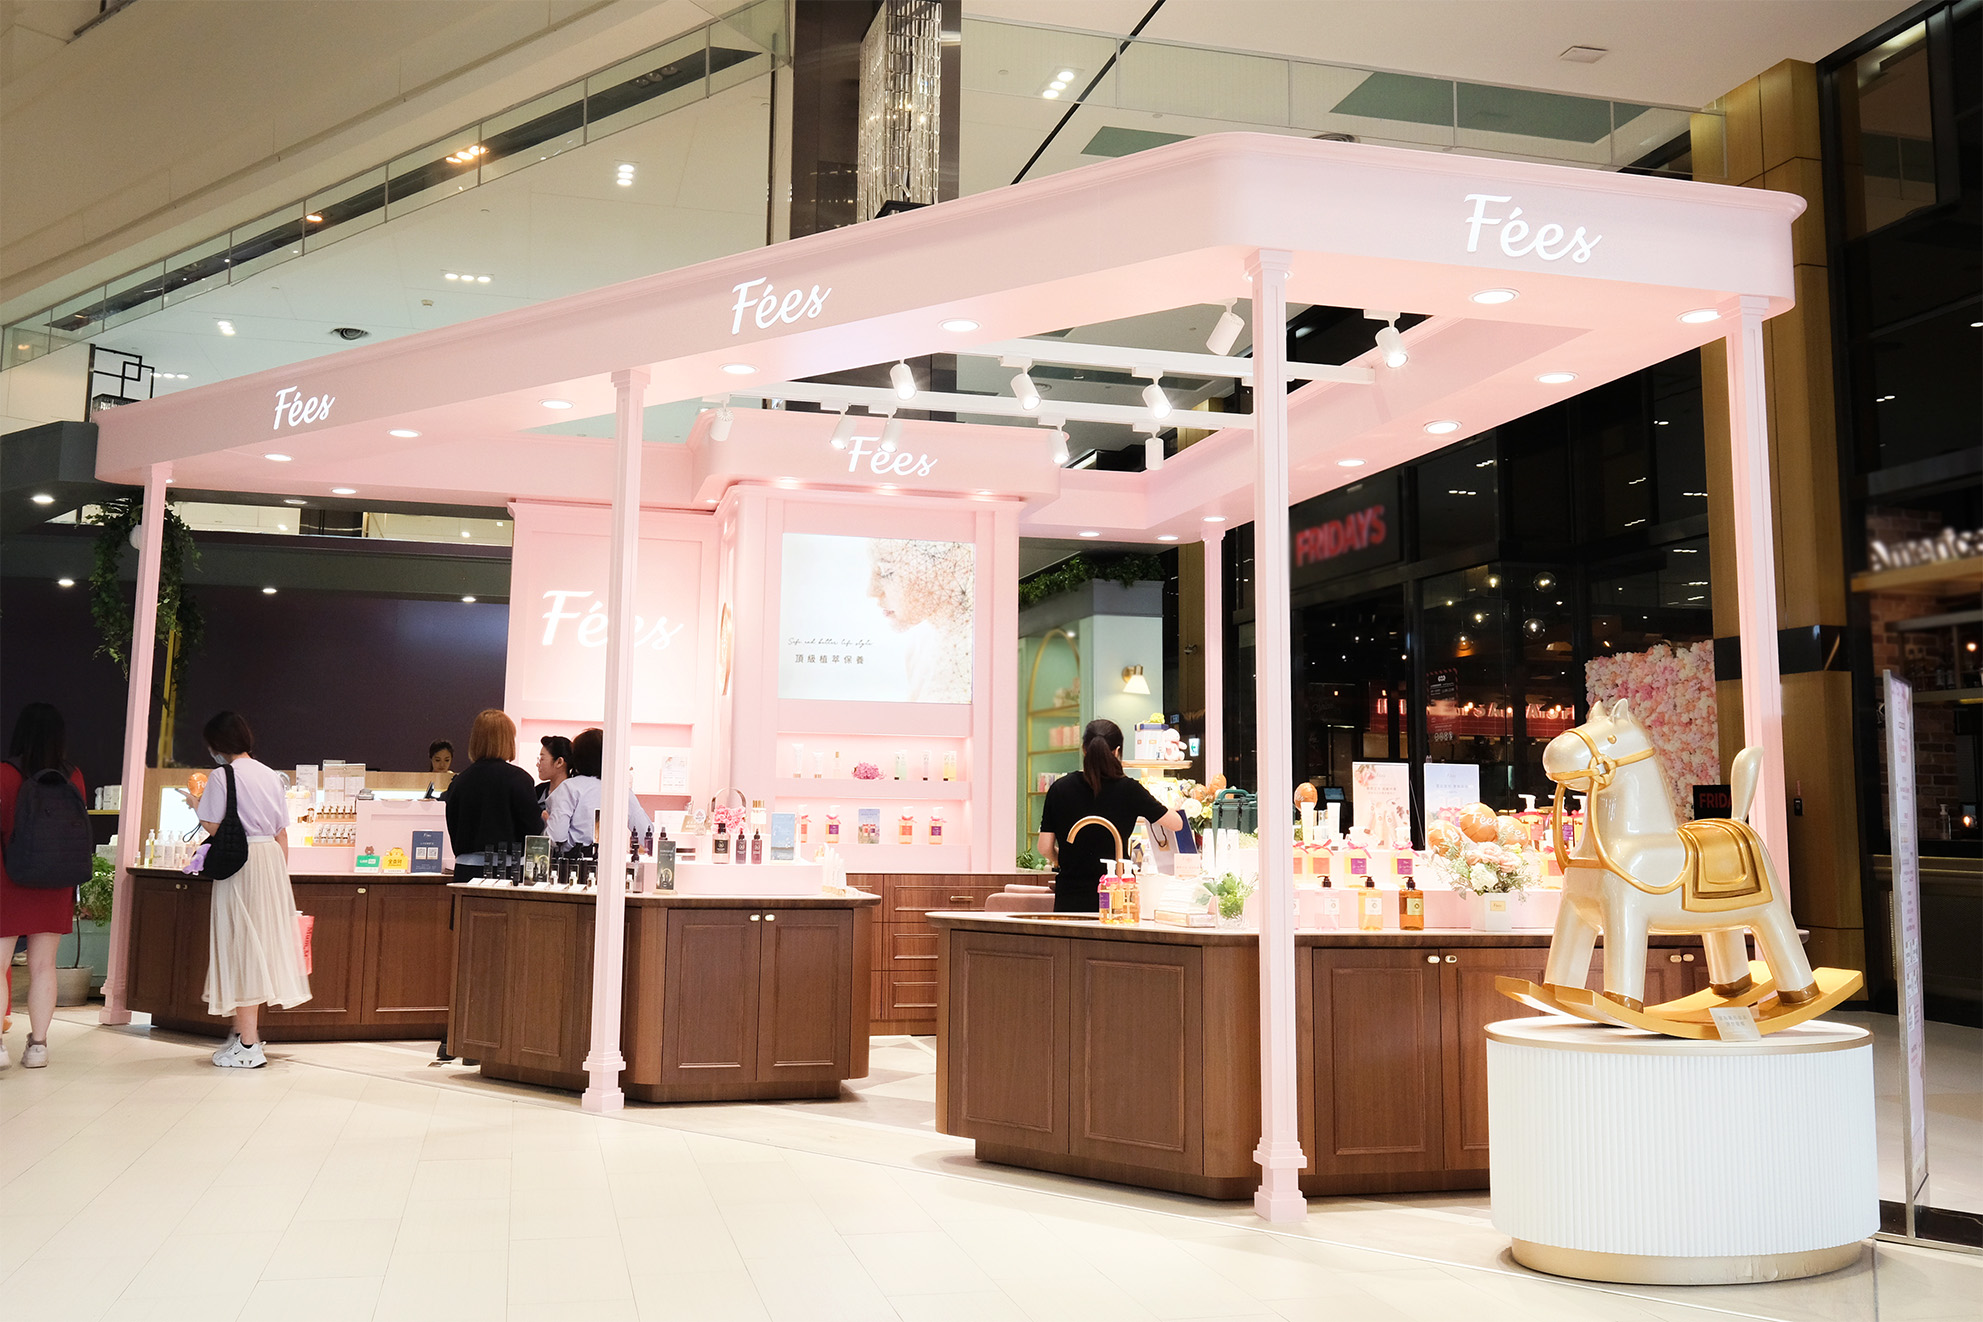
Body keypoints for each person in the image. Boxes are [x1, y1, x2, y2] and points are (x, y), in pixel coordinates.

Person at [197, 711, 312, 1069]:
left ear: (218, 744)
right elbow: (281, 831)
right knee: (258, 946)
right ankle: (243, 1037)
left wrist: (195, 806)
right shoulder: (270, 775)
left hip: (240, 863)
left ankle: (248, 1045)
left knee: (241, 948)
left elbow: (213, 825)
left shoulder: (222, 776)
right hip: (270, 861)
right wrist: (280, 877)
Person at [0, 704, 90, 1070]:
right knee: (43, 966)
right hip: (56, 880)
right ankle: (38, 1046)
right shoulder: (73, 776)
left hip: (9, 877)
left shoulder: (5, 774)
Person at [1038, 718, 1183, 914]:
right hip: (1116, 895)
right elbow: (1176, 824)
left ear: (1084, 749)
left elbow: (1044, 847)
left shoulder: (1060, 788)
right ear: (1117, 751)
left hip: (1069, 898)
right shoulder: (1129, 789)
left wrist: (1062, 859)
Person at [867, 538, 975, 702]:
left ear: (946, 564)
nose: (871, 592)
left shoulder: (976, 650)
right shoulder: (920, 644)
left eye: (887, 572)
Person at [443, 710, 540, 879]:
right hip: (508, 870)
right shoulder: (520, 779)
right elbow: (532, 829)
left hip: (465, 869)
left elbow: (454, 826)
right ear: (508, 740)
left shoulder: (459, 782)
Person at [545, 728, 650, 850]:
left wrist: (547, 822)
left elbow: (556, 837)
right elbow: (646, 834)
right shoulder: (621, 791)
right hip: (612, 858)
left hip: (574, 857)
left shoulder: (569, 787)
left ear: (578, 758)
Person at [534, 734, 572, 820]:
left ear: (559, 762)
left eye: (542, 759)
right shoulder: (538, 792)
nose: (538, 764)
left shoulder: (574, 794)